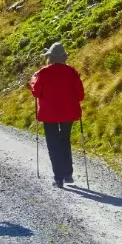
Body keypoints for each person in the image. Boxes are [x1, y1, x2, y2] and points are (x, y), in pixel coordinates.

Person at [30, 42, 85, 188]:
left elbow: (36, 92)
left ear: (50, 57)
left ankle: (58, 177)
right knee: (64, 141)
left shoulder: (43, 73)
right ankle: (68, 174)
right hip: (69, 112)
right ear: (64, 58)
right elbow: (80, 95)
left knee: (53, 144)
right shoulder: (72, 72)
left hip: (49, 114)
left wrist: (33, 80)